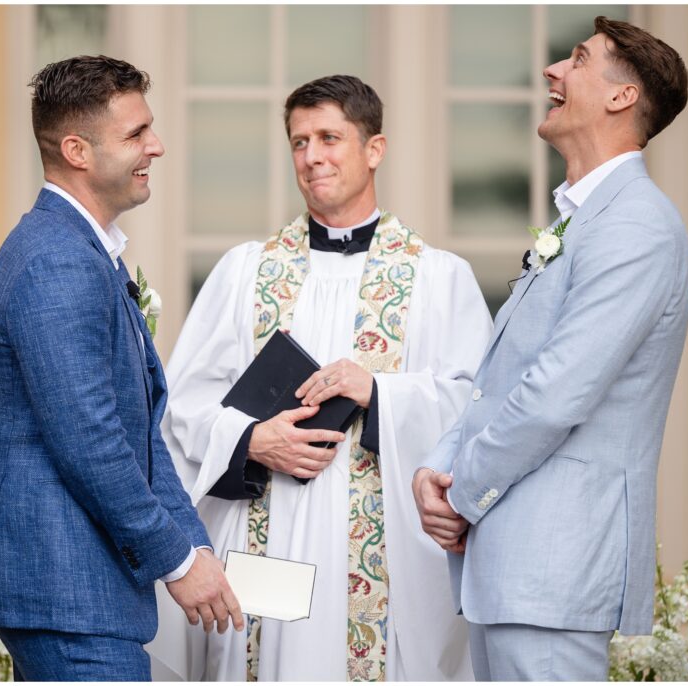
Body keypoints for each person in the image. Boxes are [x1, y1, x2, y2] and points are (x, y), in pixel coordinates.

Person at [148, 75, 492, 681]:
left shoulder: (441, 278)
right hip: (267, 534)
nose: (312, 156)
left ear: (374, 148)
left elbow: (475, 404)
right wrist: (251, 440)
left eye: (330, 137)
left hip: (384, 556)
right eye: (299, 142)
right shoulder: (245, 272)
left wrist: (380, 392)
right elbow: (183, 407)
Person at [413, 17, 688, 681]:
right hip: (513, 571)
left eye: (578, 59)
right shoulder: (583, 222)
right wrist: (437, 465)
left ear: (622, 98)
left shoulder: (637, 227)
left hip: (553, 570)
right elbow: (502, 380)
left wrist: (461, 492)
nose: (552, 72)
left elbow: (556, 391)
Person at [0, 55, 243, 682]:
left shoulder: (86, 253)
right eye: (136, 134)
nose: (157, 147)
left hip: (83, 585)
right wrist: (175, 560)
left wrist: (192, 544)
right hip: (62, 581)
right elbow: (87, 439)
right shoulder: (56, 261)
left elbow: (138, 432)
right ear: (77, 150)